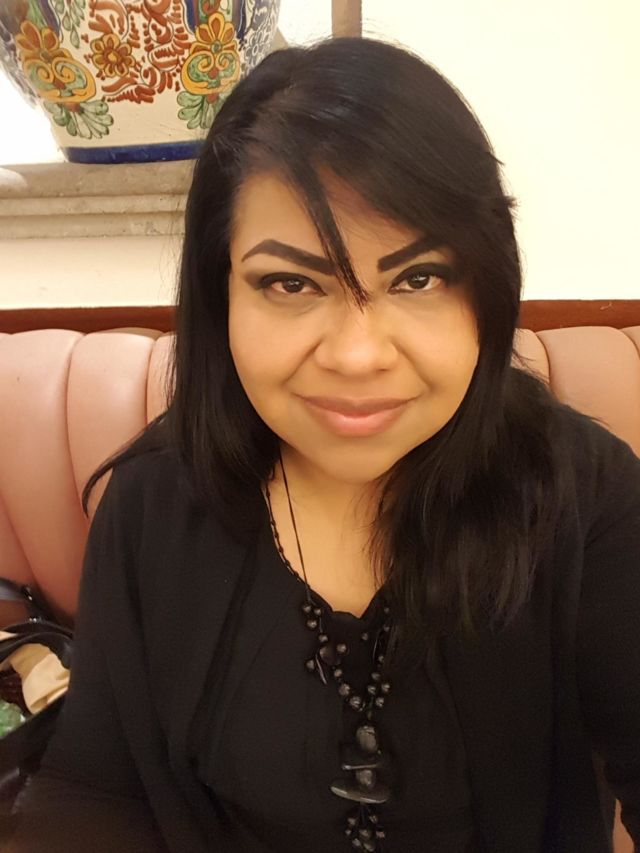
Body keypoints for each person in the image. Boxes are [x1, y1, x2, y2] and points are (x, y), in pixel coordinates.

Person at [3, 35, 639, 853]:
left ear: (487, 287)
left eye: (418, 278)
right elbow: (93, 791)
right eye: (291, 283)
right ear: (220, 295)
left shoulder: (587, 497)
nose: (357, 355)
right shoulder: (154, 503)